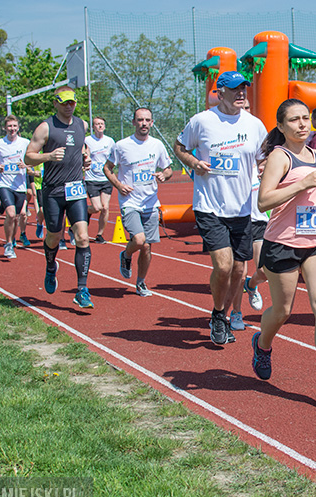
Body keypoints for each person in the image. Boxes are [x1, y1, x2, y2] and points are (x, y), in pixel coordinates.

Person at [253, 98, 316, 401]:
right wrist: (304, 184)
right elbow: (264, 201)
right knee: (282, 311)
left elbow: (314, 186)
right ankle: (262, 344)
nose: (302, 124)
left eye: (305, 118)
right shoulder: (279, 157)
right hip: (283, 243)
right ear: (282, 127)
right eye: (294, 120)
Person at [173, 71, 268, 345]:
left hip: (242, 209)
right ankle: (217, 314)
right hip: (210, 206)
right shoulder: (202, 121)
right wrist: (193, 163)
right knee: (224, 266)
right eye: (235, 89)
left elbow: (264, 157)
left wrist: (264, 168)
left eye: (244, 89)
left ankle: (223, 316)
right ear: (220, 92)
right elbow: (179, 146)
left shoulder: (254, 124)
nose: (241, 93)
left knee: (240, 271)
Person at [24, 86, 94, 309]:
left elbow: (83, 146)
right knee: (54, 236)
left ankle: (82, 290)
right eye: (64, 102)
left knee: (82, 237)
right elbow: (28, 157)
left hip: (76, 190)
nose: (68, 106)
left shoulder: (82, 124)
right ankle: (51, 264)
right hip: (53, 191)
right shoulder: (46, 127)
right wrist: (49, 156)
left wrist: (86, 158)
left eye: (72, 102)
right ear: (55, 103)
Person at [104, 107, 173, 297]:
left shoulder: (157, 145)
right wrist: (118, 185)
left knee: (147, 247)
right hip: (130, 202)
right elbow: (107, 168)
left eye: (147, 120)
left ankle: (141, 283)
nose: (144, 123)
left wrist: (163, 175)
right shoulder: (121, 145)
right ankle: (126, 255)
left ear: (152, 123)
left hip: (151, 202)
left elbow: (168, 169)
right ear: (134, 122)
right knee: (140, 240)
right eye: (140, 120)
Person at [229, 98, 268, 331]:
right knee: (238, 268)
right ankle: (235, 313)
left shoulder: (265, 160)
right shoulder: (234, 155)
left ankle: (251, 285)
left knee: (265, 269)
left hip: (260, 219)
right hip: (239, 218)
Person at [0, 115, 31, 258]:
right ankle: (8, 245)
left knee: (17, 217)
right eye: (9, 126)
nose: (12, 129)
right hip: (4, 183)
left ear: (18, 127)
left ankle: (12, 238)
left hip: (19, 185)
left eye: (14, 126)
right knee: (11, 214)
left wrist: (25, 165)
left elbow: (33, 158)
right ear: (4, 128)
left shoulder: (25, 142)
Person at [84, 116, 116, 243]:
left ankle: (100, 234)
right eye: (97, 124)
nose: (100, 126)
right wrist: (86, 158)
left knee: (105, 208)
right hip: (92, 178)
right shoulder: (88, 140)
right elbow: (84, 153)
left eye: (102, 124)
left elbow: (114, 157)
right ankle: (86, 211)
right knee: (96, 207)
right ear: (93, 127)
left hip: (106, 177)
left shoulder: (110, 141)